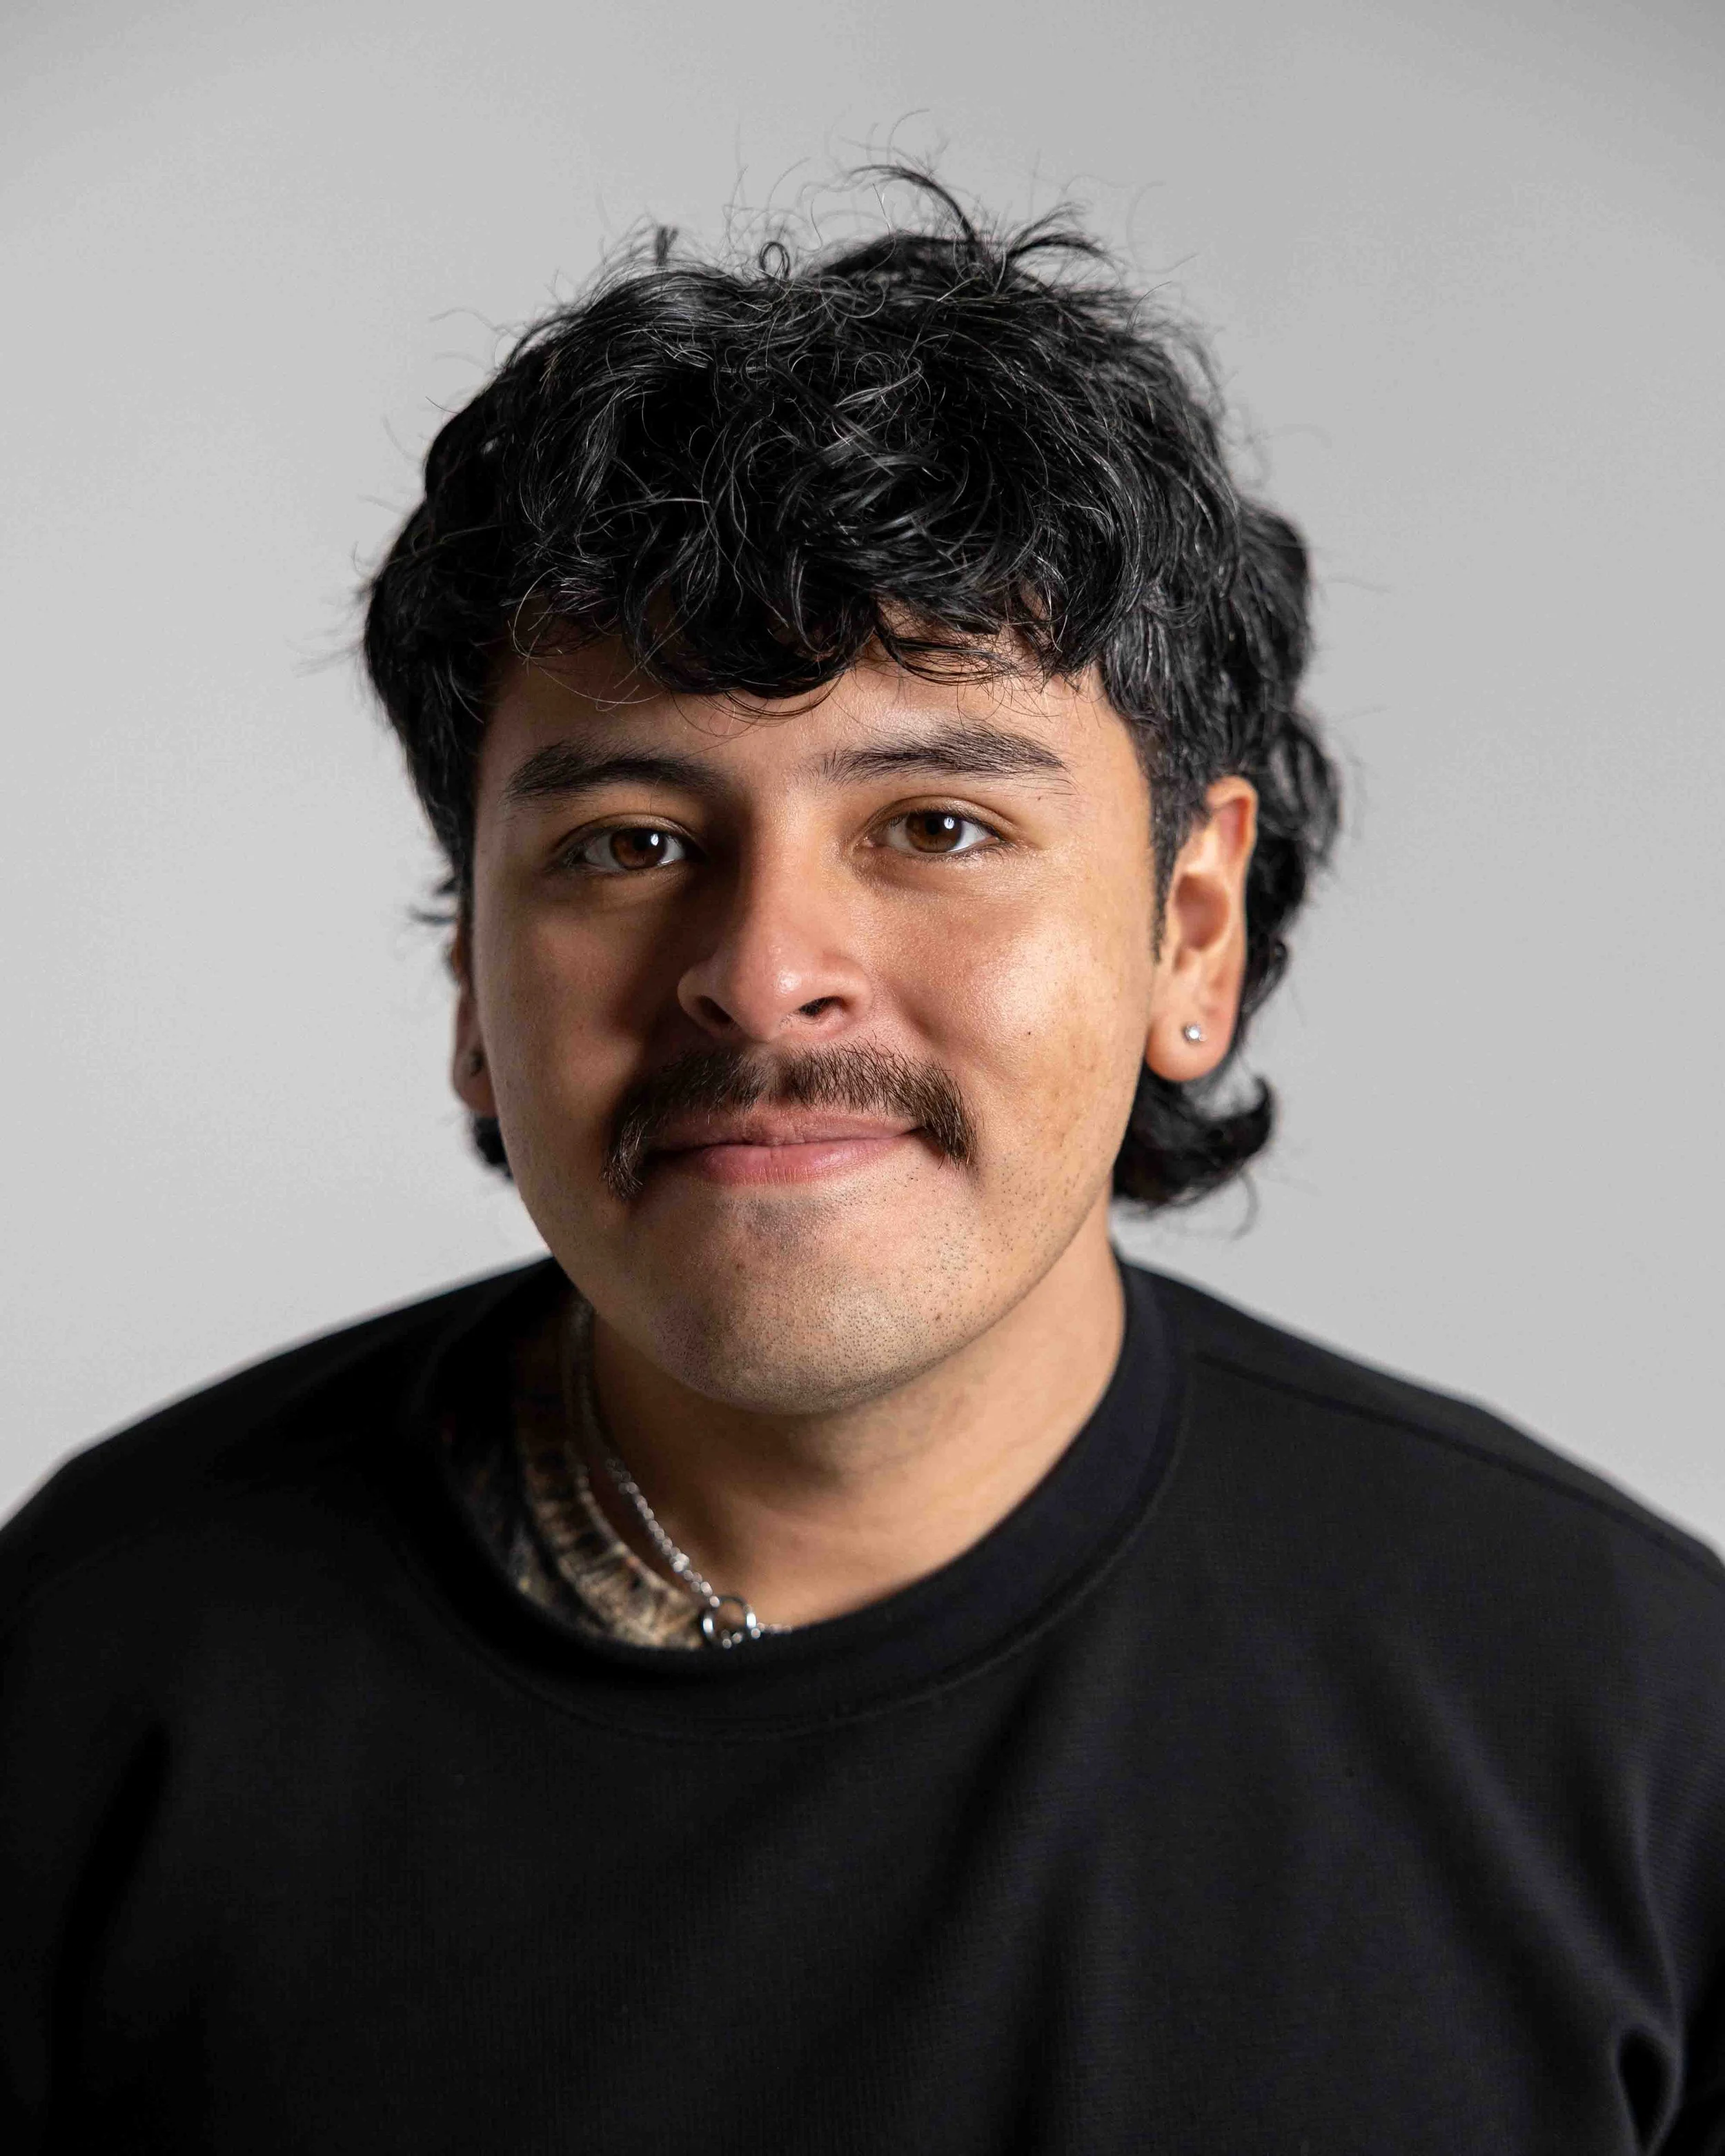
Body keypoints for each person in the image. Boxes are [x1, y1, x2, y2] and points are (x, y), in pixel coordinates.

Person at [4, 172, 1722, 2155]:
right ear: (472, 974)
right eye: (628, 840)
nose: (760, 977)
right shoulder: (94, 1666)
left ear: (1188, 930)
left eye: (934, 824)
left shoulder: (1623, 1730)